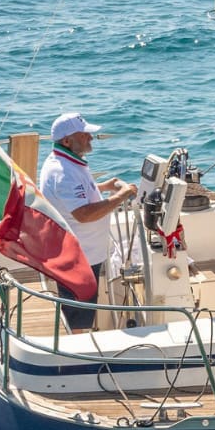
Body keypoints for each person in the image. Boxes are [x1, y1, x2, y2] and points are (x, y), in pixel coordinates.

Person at [37, 112, 135, 333]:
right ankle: (77, 352)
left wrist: (102, 187)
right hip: (78, 255)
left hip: (85, 252)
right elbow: (83, 214)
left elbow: (72, 196)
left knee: (81, 305)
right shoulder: (64, 172)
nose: (91, 138)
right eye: (85, 135)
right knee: (78, 314)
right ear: (67, 141)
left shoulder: (64, 162)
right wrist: (121, 195)